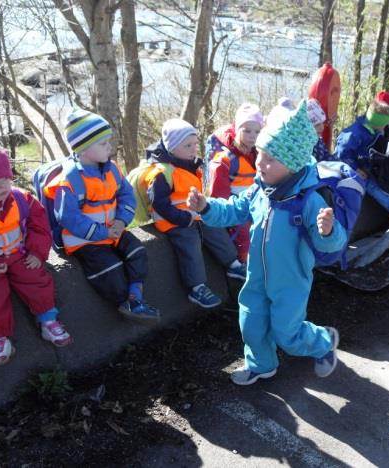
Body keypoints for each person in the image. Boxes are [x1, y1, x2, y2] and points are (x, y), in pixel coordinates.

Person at [187, 101, 345, 385]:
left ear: (293, 165)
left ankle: (322, 341)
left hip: (290, 281)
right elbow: (233, 210)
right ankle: (262, 365)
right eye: (260, 153)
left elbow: (333, 245)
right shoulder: (260, 190)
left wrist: (328, 230)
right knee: (251, 322)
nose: (260, 162)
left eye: (270, 159)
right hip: (256, 275)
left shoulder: (309, 201)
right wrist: (205, 207)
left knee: (288, 333)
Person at [0, 144, 72, 366]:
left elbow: (40, 226)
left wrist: (38, 252)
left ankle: (48, 320)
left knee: (36, 277)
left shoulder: (21, 200)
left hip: (19, 254)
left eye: (6, 179)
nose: (3, 186)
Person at [44, 108, 160, 321]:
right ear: (85, 149)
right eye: (103, 143)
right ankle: (124, 303)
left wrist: (121, 221)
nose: (110, 147)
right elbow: (68, 218)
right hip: (85, 240)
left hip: (113, 231)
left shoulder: (112, 168)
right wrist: (102, 232)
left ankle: (135, 296)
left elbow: (126, 195)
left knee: (137, 252)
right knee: (110, 269)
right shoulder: (69, 181)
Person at [146, 118, 245, 308]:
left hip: (194, 214)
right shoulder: (162, 172)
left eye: (194, 144)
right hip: (175, 221)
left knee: (215, 228)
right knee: (190, 245)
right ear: (172, 148)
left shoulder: (191, 165)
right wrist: (183, 218)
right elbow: (159, 203)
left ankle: (233, 264)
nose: (193, 149)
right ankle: (197, 287)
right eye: (187, 145)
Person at [206, 103, 263, 261]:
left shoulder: (258, 155)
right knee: (245, 232)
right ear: (236, 129)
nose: (253, 136)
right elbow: (219, 196)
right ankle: (245, 264)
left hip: (252, 203)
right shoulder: (224, 160)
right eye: (247, 130)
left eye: (258, 132)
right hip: (234, 207)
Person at [335, 98, 389, 215]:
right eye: (384, 126)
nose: (385, 128)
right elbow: (341, 154)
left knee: (384, 176)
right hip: (349, 167)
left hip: (366, 163)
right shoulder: (354, 134)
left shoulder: (372, 128)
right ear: (377, 124)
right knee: (370, 185)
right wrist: (356, 169)